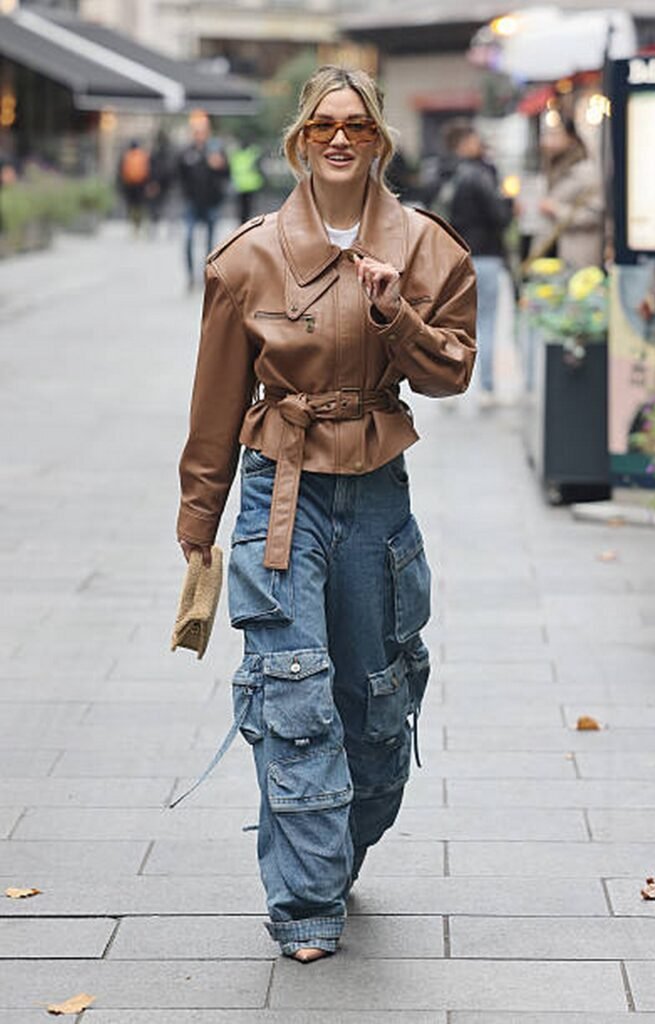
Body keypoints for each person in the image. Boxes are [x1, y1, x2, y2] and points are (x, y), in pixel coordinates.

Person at [174, 65, 476, 963]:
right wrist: (199, 520)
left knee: (374, 698)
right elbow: (215, 401)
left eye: (356, 125)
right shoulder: (248, 258)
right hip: (281, 488)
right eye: (322, 126)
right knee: (293, 687)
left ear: (379, 139)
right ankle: (305, 903)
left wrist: (395, 316)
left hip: (376, 490)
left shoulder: (429, 250)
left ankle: (337, 848)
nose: (339, 138)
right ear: (299, 141)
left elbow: (452, 372)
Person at [434, 122, 512, 403]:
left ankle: (450, 386)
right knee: (487, 322)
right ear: (465, 142)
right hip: (486, 254)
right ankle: (487, 389)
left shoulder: (442, 174)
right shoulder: (480, 175)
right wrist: (509, 203)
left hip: (453, 258)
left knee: (454, 325)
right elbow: (500, 216)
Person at [533, 115, 604, 269]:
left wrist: (556, 210)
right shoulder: (549, 170)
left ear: (571, 138)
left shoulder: (585, 172)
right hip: (549, 255)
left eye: (554, 135)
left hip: (579, 256)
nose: (547, 142)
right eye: (546, 135)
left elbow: (595, 214)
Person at [177, 111, 230, 289]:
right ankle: (191, 277)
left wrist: (220, 166)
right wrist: (186, 194)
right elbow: (179, 175)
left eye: (202, 131)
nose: (199, 135)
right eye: (196, 131)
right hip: (192, 203)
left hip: (211, 202)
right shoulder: (187, 152)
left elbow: (227, 174)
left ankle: (207, 276)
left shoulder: (216, 150)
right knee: (188, 238)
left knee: (210, 243)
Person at [230, 137, 265, 225]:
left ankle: (246, 225)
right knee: (245, 210)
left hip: (249, 186)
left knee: (247, 210)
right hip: (245, 186)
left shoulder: (238, 154)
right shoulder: (251, 153)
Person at [118, 140, 150, 233]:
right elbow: (148, 170)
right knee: (141, 205)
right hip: (141, 184)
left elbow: (121, 171)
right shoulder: (143, 155)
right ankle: (140, 223)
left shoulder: (126, 156)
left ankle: (134, 225)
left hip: (129, 184)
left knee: (132, 205)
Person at [145, 129, 174, 231]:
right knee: (162, 204)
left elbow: (151, 168)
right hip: (164, 182)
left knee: (156, 205)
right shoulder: (169, 151)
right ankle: (160, 224)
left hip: (159, 182)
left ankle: (156, 224)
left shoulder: (156, 152)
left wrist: (152, 181)